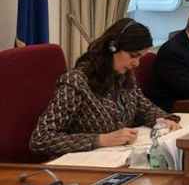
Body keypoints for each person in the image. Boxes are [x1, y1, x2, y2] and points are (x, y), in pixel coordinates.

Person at [30, 19, 181, 158]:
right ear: (112, 47)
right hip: (82, 165)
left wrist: (163, 121)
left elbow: (144, 108)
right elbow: (41, 139)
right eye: (133, 56)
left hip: (117, 159)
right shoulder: (75, 82)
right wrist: (100, 140)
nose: (137, 64)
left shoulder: (126, 76)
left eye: (140, 57)